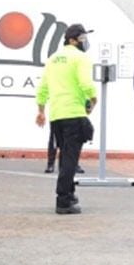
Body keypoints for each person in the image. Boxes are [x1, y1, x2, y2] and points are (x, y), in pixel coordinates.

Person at [35, 23, 97, 215]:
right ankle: (63, 199)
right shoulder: (80, 58)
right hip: (74, 113)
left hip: (57, 116)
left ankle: (69, 193)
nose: (85, 42)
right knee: (70, 158)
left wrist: (41, 110)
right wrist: (93, 99)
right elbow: (85, 82)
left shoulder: (53, 59)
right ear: (72, 40)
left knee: (65, 156)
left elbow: (43, 87)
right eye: (83, 39)